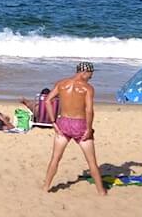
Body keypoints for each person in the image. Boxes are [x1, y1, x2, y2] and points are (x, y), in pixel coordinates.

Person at [40, 62, 105, 196]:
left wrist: (53, 122)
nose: (91, 77)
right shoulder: (87, 88)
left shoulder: (61, 84)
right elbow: (89, 110)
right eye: (91, 74)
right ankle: (101, 192)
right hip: (79, 124)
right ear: (84, 72)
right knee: (92, 162)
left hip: (63, 123)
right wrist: (89, 128)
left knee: (55, 159)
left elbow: (47, 101)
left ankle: (45, 187)